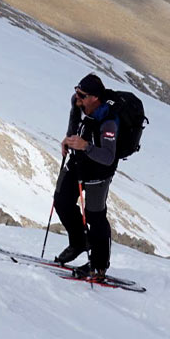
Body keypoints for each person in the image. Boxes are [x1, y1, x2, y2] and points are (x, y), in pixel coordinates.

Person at [53, 73, 119, 279]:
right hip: (78, 162)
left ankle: (99, 266)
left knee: (94, 216)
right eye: (76, 91)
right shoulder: (78, 103)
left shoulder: (108, 121)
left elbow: (108, 157)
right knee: (61, 201)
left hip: (99, 172)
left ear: (95, 98)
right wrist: (69, 139)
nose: (77, 97)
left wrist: (86, 146)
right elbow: (74, 123)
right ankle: (80, 242)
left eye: (82, 94)